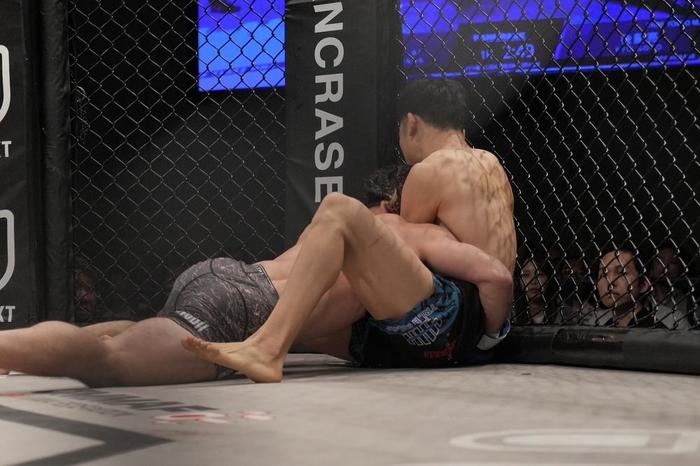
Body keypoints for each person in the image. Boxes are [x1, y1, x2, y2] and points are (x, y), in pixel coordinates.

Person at [0, 168, 510, 386]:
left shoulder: (332, 256)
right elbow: (491, 277)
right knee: (110, 363)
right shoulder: (395, 235)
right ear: (392, 206)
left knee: (131, 334)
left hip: (225, 277)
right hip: (244, 309)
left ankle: (15, 349)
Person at [183, 79, 517, 381]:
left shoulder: (429, 170)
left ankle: (263, 346)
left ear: (411, 123)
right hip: (481, 319)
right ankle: (252, 341)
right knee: (314, 318)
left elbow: (409, 252)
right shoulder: (491, 165)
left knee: (338, 217)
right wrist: (487, 341)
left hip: (449, 316)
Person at [595, 245, 654, 328]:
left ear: (643, 285)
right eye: (604, 274)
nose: (610, 281)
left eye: (622, 272)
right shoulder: (605, 328)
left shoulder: (654, 331)